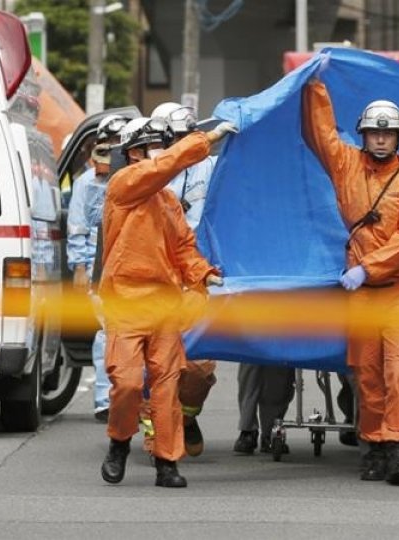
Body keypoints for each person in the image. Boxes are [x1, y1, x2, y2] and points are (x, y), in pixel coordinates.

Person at [302, 75, 399, 485]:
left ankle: (398, 449)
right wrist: (313, 86)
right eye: (374, 132)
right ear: (363, 135)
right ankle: (373, 446)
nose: (380, 139)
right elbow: (320, 133)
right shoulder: (345, 166)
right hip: (362, 294)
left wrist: (367, 268)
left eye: (387, 133)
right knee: (366, 373)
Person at [98, 116, 236, 488]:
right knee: (126, 384)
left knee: (166, 386)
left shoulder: (168, 201)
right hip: (126, 302)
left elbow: (183, 249)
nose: (162, 152)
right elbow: (165, 165)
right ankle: (119, 441)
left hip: (163, 303)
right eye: (157, 145)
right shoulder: (123, 186)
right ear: (134, 153)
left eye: (163, 144)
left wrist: (203, 273)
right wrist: (202, 140)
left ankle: (167, 461)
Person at [149, 102, 220, 458]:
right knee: (152, 362)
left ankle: (187, 417)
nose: (180, 143)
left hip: (198, 274)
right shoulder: (148, 171)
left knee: (198, 366)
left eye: (187, 136)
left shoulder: (216, 168)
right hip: (155, 276)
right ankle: (158, 440)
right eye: (173, 137)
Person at [70, 114, 128, 422]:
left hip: (134, 267)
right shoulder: (87, 183)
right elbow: (79, 225)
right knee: (107, 333)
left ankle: (134, 395)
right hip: (100, 266)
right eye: (109, 145)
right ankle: (106, 400)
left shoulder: (141, 175)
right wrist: (79, 266)